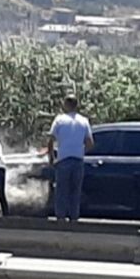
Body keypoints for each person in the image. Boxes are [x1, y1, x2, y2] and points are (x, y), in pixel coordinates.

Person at [48, 94, 94, 222]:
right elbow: (90, 143)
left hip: (63, 160)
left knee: (61, 191)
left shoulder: (59, 120)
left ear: (66, 104)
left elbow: (51, 140)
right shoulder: (84, 121)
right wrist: (81, 151)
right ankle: (74, 218)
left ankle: (60, 218)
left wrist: (51, 158)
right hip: (78, 160)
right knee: (75, 191)